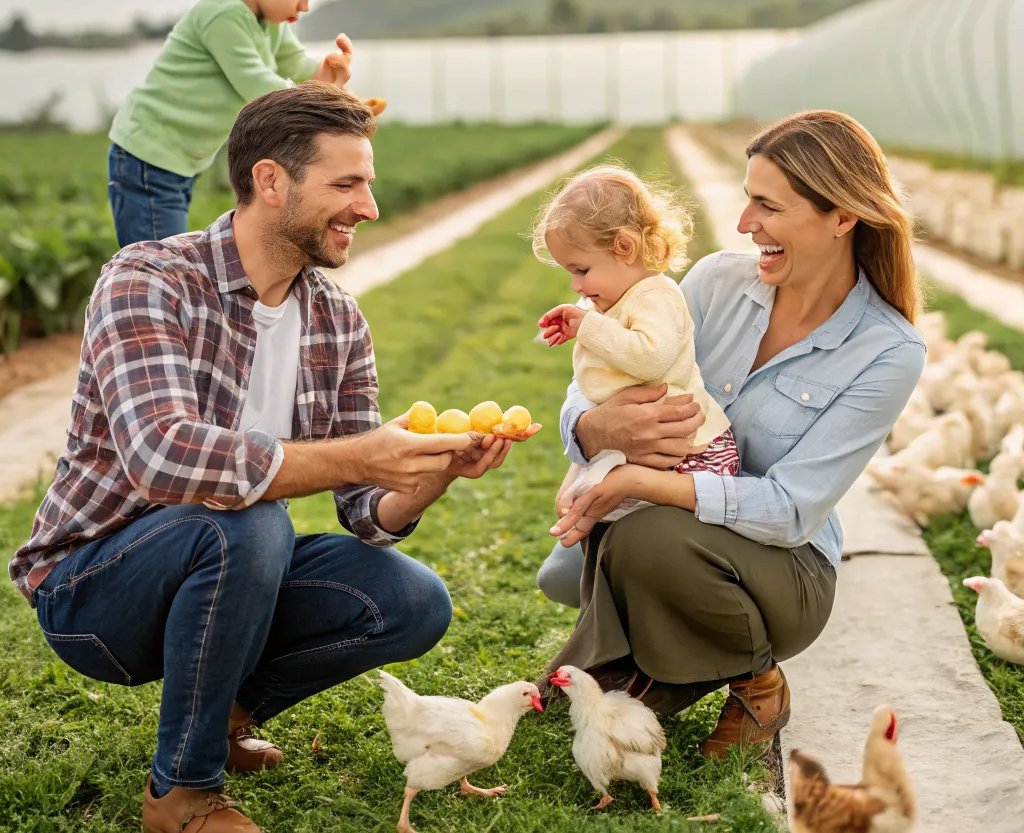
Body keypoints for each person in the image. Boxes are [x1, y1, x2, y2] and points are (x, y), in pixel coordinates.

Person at [10, 84, 516, 833]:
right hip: (92, 591)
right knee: (248, 523)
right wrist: (364, 454)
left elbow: (365, 517)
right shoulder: (148, 279)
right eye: (347, 185)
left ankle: (217, 718)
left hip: (223, 570)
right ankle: (182, 794)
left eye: (368, 184)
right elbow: (162, 456)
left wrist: (420, 478)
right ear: (271, 181)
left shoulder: (336, 318)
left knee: (410, 598)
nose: (369, 207)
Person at [536, 110, 926, 759]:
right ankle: (650, 671)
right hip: (687, 523)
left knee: (645, 534)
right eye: (747, 199)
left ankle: (756, 679)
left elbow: (792, 508)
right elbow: (614, 365)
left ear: (841, 217)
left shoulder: (887, 350)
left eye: (768, 205)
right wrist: (590, 426)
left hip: (784, 565)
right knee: (567, 571)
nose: (745, 223)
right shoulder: (718, 282)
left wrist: (645, 481)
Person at [107, 0, 383, 248]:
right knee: (155, 265)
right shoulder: (223, 17)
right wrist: (324, 107)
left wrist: (325, 74)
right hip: (146, 156)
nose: (305, 5)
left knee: (169, 258)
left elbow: (293, 61)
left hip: (179, 161)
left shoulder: (269, 21)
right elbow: (260, 86)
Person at [533, 165, 735, 535]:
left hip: (690, 450)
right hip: (647, 442)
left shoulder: (657, 296)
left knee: (639, 530)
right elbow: (607, 368)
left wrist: (590, 327)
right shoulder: (615, 300)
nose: (576, 285)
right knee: (595, 515)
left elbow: (649, 358)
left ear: (624, 247)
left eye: (581, 269)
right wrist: (582, 326)